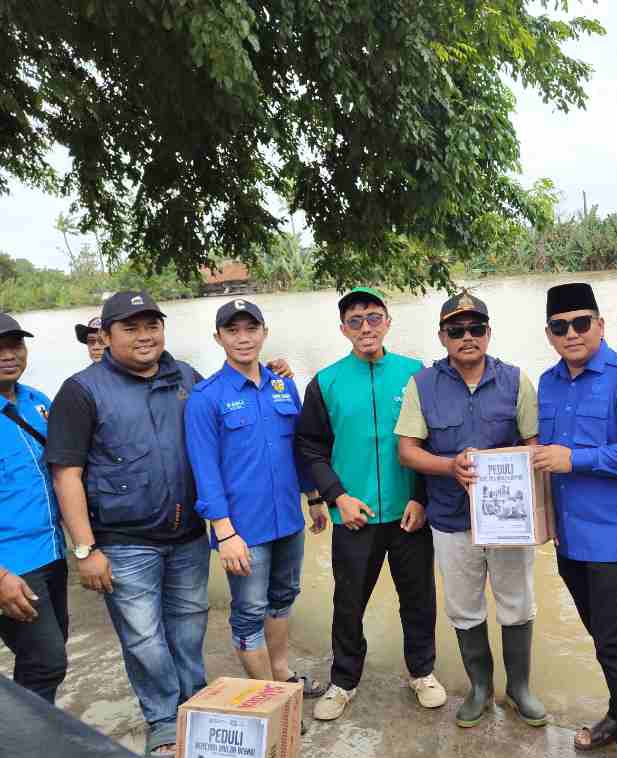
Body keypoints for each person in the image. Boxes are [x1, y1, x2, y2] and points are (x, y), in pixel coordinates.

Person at [46, 290, 292, 758]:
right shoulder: (83, 390)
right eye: (130, 328)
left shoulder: (186, 378)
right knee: (143, 636)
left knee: (188, 627)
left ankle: (194, 703)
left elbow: (227, 406)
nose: (144, 336)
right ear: (107, 335)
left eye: (151, 325)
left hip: (185, 536)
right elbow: (66, 474)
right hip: (123, 541)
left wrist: (272, 376)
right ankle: (162, 718)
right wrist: (85, 549)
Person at [295, 287, 446, 722]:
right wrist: (337, 497)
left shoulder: (416, 375)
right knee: (348, 603)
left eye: (374, 318)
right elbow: (310, 446)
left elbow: (429, 442)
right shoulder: (326, 382)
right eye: (356, 321)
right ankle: (343, 681)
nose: (366, 328)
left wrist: (421, 497)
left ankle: (422, 672)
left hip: (408, 516)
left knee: (418, 598)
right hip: (353, 516)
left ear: (387, 322)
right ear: (343, 329)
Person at [396, 290, 546, 729]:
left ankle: (520, 689)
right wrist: (448, 465)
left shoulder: (517, 380)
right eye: (456, 330)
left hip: (508, 522)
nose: (467, 337)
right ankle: (480, 688)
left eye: (476, 328)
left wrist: (510, 466)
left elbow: (534, 445)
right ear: (443, 336)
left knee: (517, 605)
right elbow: (407, 451)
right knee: (463, 608)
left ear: (488, 333)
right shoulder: (422, 384)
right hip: (450, 520)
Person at [534, 282, 617, 758]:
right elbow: (545, 451)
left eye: (581, 323)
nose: (572, 334)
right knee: (602, 639)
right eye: (560, 326)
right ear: (549, 334)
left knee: (616, 644)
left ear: (600, 325)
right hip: (571, 539)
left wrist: (576, 459)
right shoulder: (548, 382)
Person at [184, 298, 328, 700]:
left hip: (288, 518)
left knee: (282, 600)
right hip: (243, 530)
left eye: (251, 329)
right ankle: (269, 698)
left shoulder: (284, 385)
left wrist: (314, 497)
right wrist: (224, 532)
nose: (243, 338)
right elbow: (204, 470)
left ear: (264, 333)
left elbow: (299, 448)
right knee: (248, 612)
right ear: (219, 338)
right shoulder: (205, 397)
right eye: (233, 330)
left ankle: (282, 675)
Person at [0, 314, 67, 704]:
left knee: (43, 659)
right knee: (46, 661)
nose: (9, 355)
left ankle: (37, 738)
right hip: (13, 565)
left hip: (52, 554)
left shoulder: (38, 402)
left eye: (15, 346)